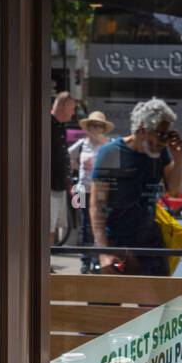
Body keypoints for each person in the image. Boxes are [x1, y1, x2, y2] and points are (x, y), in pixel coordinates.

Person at [90, 98, 182, 276]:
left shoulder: (159, 152)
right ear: (142, 129)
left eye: (167, 135)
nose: (163, 142)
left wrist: (178, 157)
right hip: (115, 242)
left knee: (160, 303)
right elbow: (96, 206)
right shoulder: (112, 153)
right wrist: (104, 252)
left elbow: (174, 190)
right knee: (104, 302)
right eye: (160, 135)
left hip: (149, 242)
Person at [68, 111, 112, 272]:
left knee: (99, 225)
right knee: (84, 226)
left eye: (100, 125)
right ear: (88, 127)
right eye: (93, 125)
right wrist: (74, 174)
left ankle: (97, 258)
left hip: (101, 192)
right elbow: (69, 158)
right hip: (82, 190)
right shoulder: (81, 144)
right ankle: (85, 261)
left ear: (103, 128)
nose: (96, 128)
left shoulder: (108, 145)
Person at [49, 92, 76, 244]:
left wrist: (69, 182)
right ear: (64, 107)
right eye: (72, 109)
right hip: (49, 185)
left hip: (59, 185)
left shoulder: (60, 127)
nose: (73, 114)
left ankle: (48, 260)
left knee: (53, 226)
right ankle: (44, 261)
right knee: (47, 225)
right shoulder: (47, 125)